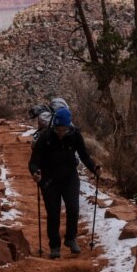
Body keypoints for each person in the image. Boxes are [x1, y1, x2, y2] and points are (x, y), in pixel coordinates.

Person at [28, 107, 101, 259]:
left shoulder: (75, 136)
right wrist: (35, 173)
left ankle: (70, 238)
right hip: (49, 180)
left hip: (70, 178)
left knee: (73, 209)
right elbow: (34, 162)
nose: (61, 133)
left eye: (64, 130)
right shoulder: (45, 137)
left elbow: (84, 156)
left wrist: (94, 168)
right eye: (58, 129)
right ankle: (55, 246)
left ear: (68, 127)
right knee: (53, 214)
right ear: (54, 126)